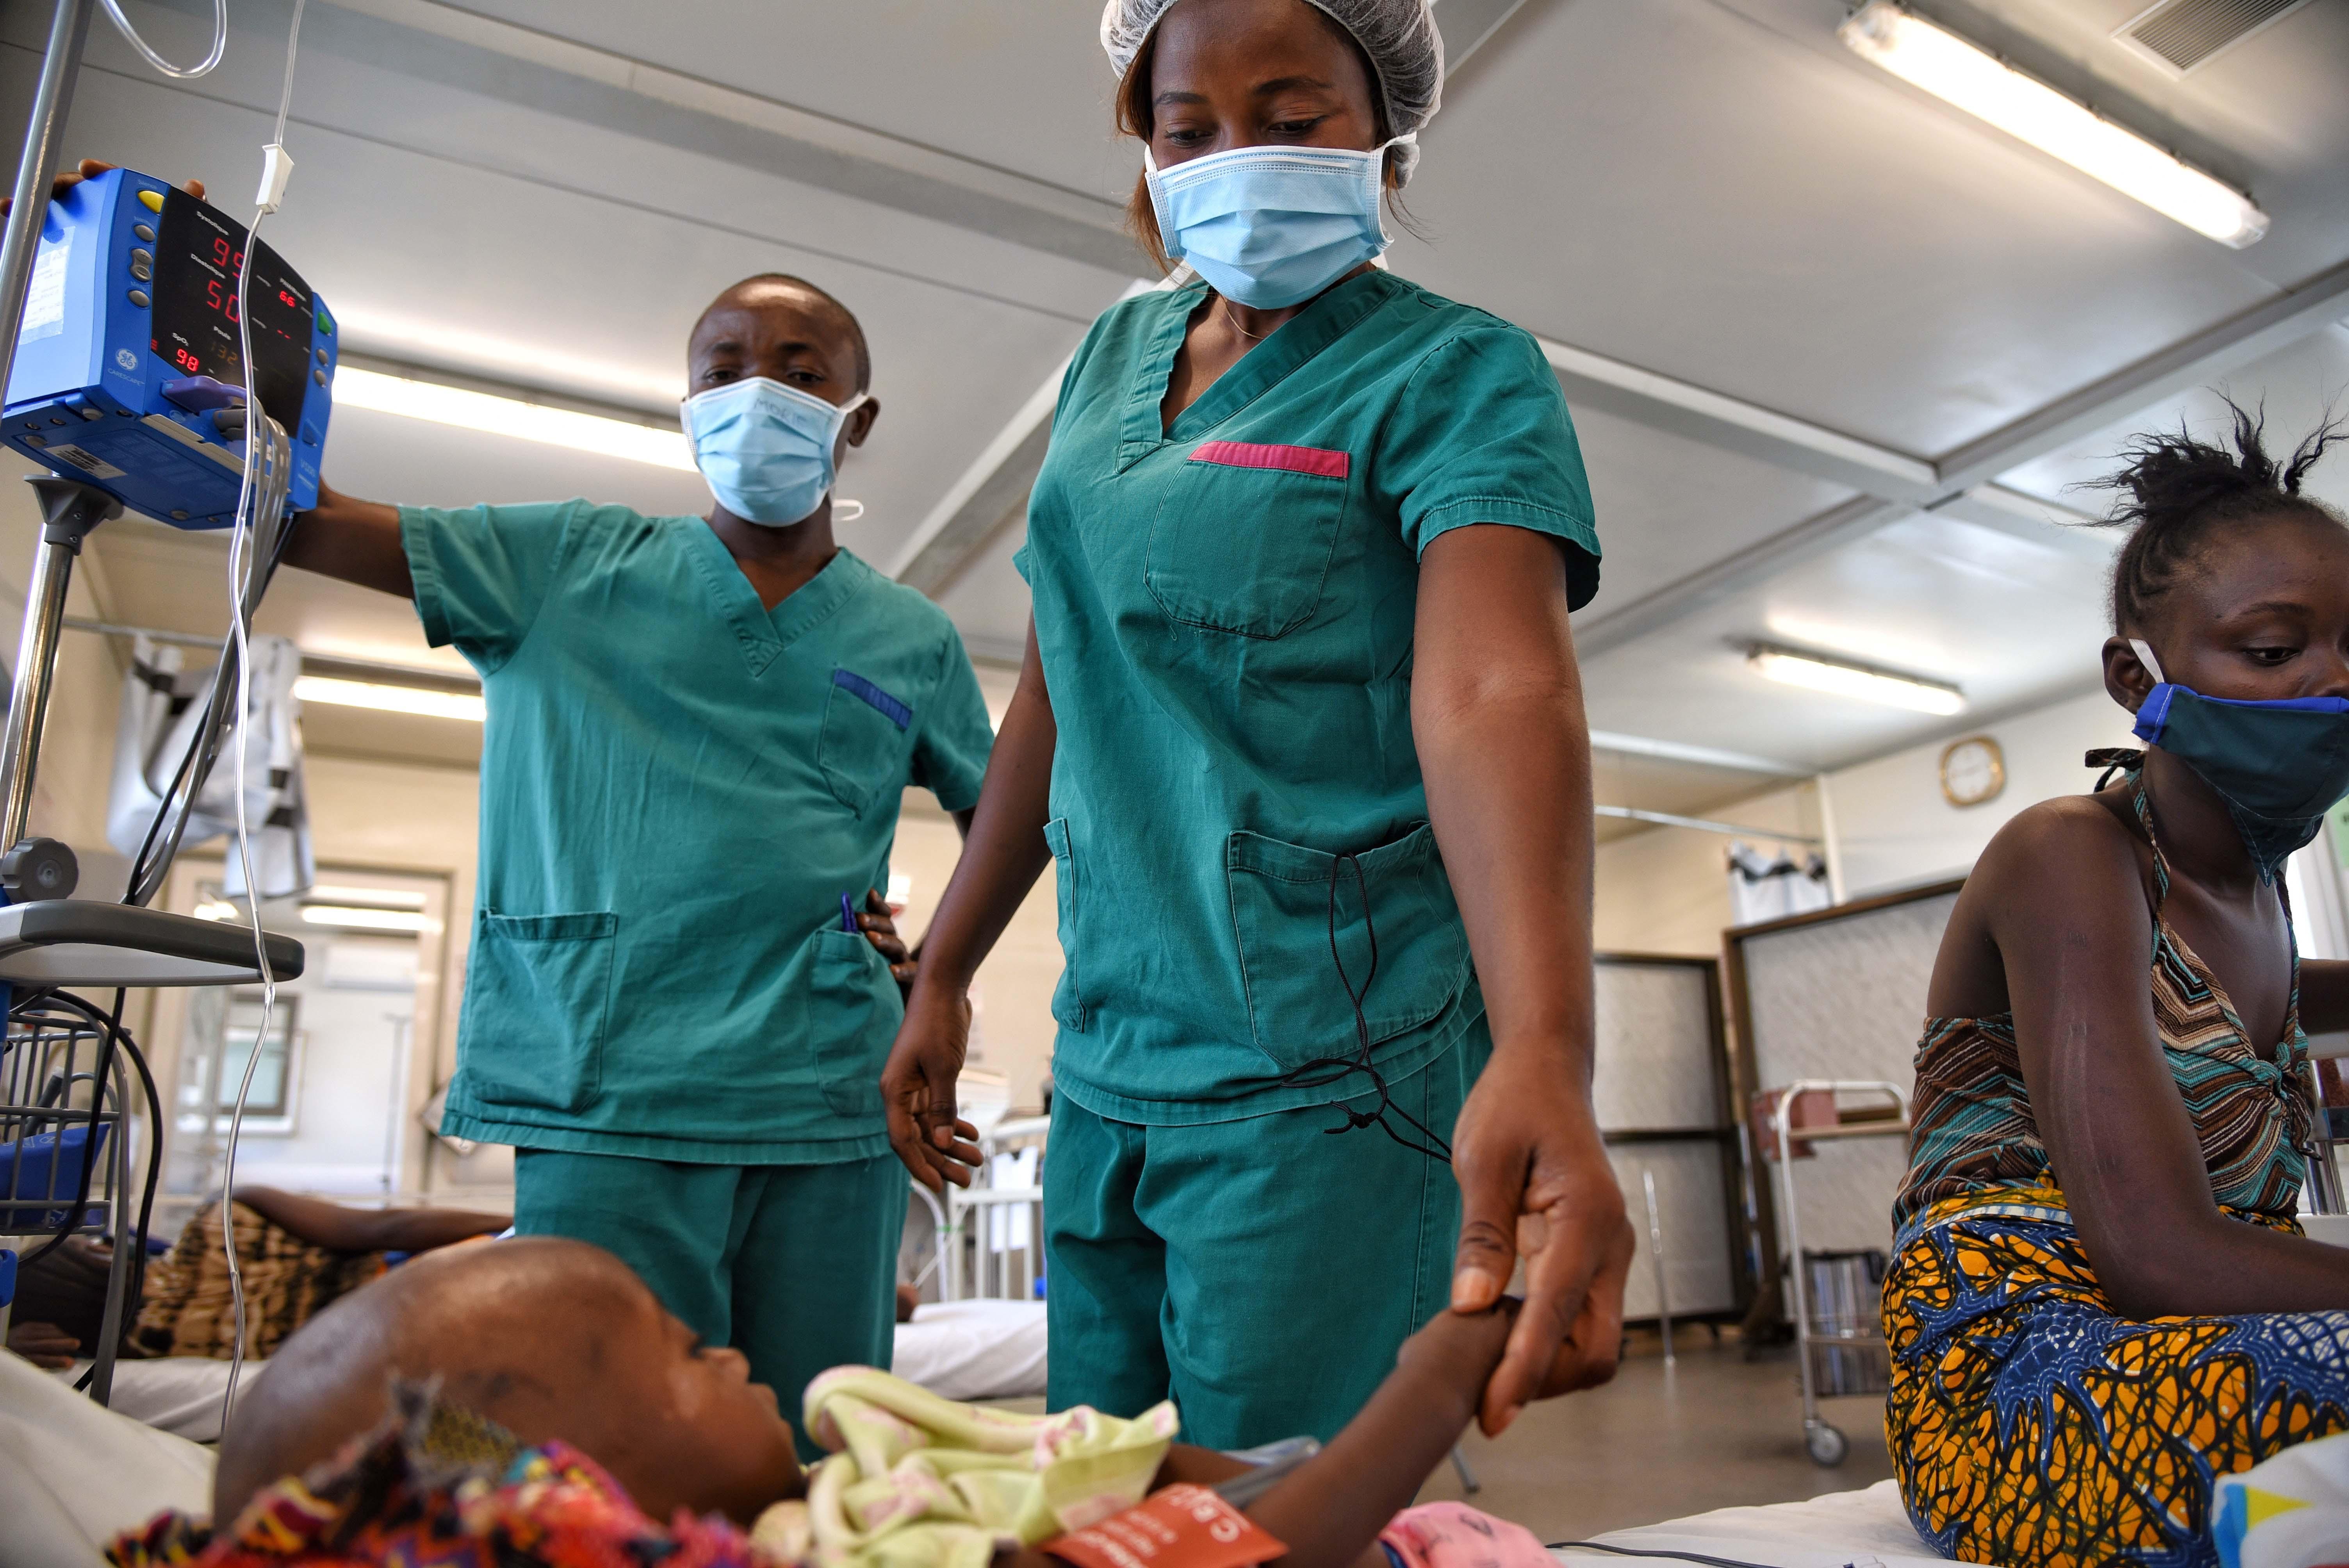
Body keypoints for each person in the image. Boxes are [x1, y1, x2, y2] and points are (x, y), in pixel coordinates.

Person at [9, 160, 999, 1461]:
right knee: (601, 1454)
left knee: (830, 1446)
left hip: (826, 1095)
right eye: (722, 367)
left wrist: (942, 964)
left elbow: (1009, 811)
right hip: (606, 1082)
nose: (757, 388)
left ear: (855, 418)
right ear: (687, 402)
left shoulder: (911, 639)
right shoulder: (564, 561)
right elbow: (290, 511)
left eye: (802, 368)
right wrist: (104, 280)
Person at [878, 0, 1633, 1451]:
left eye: (1294, 123)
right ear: (1143, 148)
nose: (1238, 161)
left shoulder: (1453, 373)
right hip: (1109, 1062)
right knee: (1098, 1507)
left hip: (1332, 1081)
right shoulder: (1107, 365)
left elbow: (1494, 688)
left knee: (1279, 1514)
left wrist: (1546, 1040)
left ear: (1384, 127)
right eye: (1190, 130)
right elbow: (1058, 684)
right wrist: (946, 968)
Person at [1881, 406, 2349, 1568]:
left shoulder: (2260, 893)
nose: (2333, 682)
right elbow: (2155, 1254)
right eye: (2274, 649)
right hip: (2018, 1372)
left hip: (2190, 1335)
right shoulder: (2068, 859)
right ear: (2134, 677)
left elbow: (2280, 1000)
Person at [131, 1235, 1558, 1568]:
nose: (737, 1357)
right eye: (690, 1353)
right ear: (585, 1489)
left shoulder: (841, 1489)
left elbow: (1143, 1472)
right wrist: (1435, 1373)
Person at [5, 1185, 508, 1368]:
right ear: (102, 1252)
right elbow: (383, 1226)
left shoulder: (149, 1349)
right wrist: (517, 1224)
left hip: (422, 1342)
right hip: (440, 1279)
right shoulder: (227, 1217)